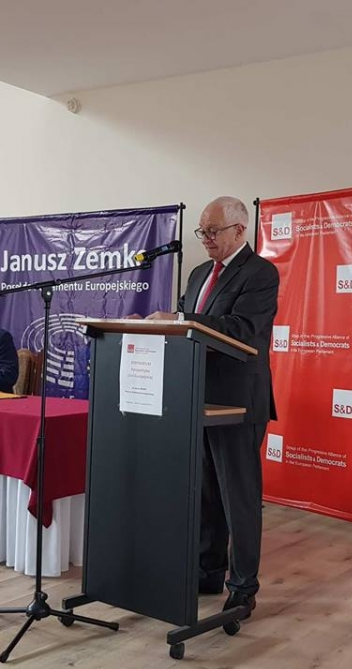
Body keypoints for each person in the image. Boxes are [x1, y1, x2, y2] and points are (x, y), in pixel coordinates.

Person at [135, 196, 279, 618]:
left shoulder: (260, 272)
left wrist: (181, 321)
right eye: (202, 231)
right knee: (205, 493)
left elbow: (242, 329)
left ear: (240, 230)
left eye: (213, 231)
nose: (206, 239)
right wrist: (169, 325)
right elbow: (189, 327)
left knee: (238, 497)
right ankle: (207, 572)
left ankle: (243, 586)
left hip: (237, 400)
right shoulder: (199, 273)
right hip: (196, 396)